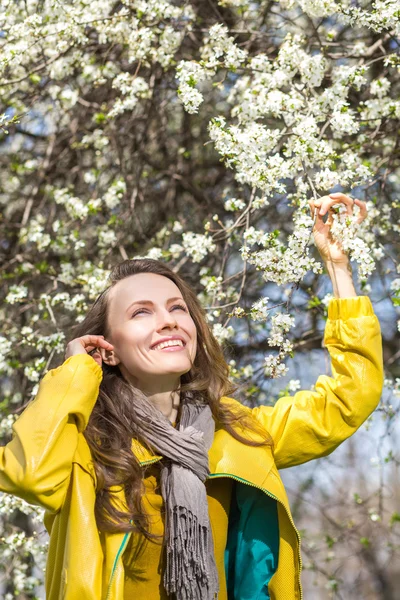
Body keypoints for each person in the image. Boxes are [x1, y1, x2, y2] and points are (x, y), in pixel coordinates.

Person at [0, 193, 383, 600]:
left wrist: (338, 267)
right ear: (107, 346)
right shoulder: (86, 445)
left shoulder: (237, 433)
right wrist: (76, 372)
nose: (167, 321)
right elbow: (27, 473)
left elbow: (347, 399)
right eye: (141, 312)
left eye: (177, 308)